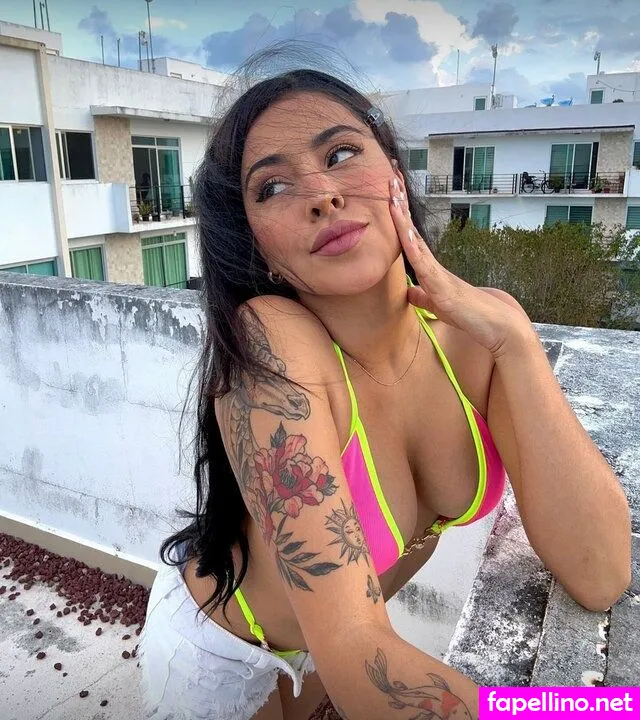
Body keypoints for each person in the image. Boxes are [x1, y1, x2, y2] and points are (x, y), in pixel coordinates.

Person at [138, 68, 631, 720]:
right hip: (218, 652)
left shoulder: (477, 337)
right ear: (261, 250)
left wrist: (517, 341)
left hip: (326, 643)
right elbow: (357, 651)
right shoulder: (273, 346)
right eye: (273, 187)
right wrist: (596, 710)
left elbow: (600, 573)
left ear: (396, 172)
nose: (322, 195)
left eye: (341, 153)